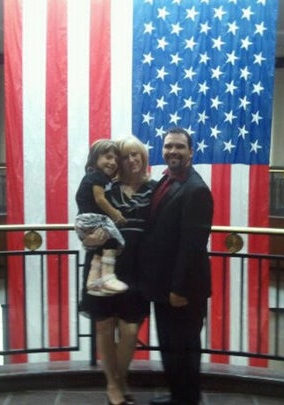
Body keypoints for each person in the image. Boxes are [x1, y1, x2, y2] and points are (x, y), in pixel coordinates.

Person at [138, 127, 214, 405]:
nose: (173, 151)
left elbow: (192, 246)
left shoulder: (196, 189)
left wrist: (178, 289)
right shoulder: (165, 181)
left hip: (183, 290)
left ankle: (187, 400)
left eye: (180, 147)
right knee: (170, 347)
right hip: (163, 286)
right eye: (169, 146)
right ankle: (177, 398)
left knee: (185, 349)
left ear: (191, 152)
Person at [79, 135, 157, 405]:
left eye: (137, 155)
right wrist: (87, 236)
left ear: (144, 159)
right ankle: (113, 385)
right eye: (126, 156)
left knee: (130, 330)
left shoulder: (155, 189)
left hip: (138, 268)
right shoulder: (105, 189)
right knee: (104, 326)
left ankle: (120, 377)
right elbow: (85, 221)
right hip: (103, 265)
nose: (131, 160)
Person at [75, 139, 129, 296]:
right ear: (95, 158)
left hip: (84, 219)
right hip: (92, 218)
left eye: (116, 159)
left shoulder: (96, 178)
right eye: (108, 157)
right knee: (113, 240)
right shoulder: (97, 177)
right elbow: (100, 199)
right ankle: (107, 277)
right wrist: (115, 214)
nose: (112, 162)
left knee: (99, 250)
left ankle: (93, 281)